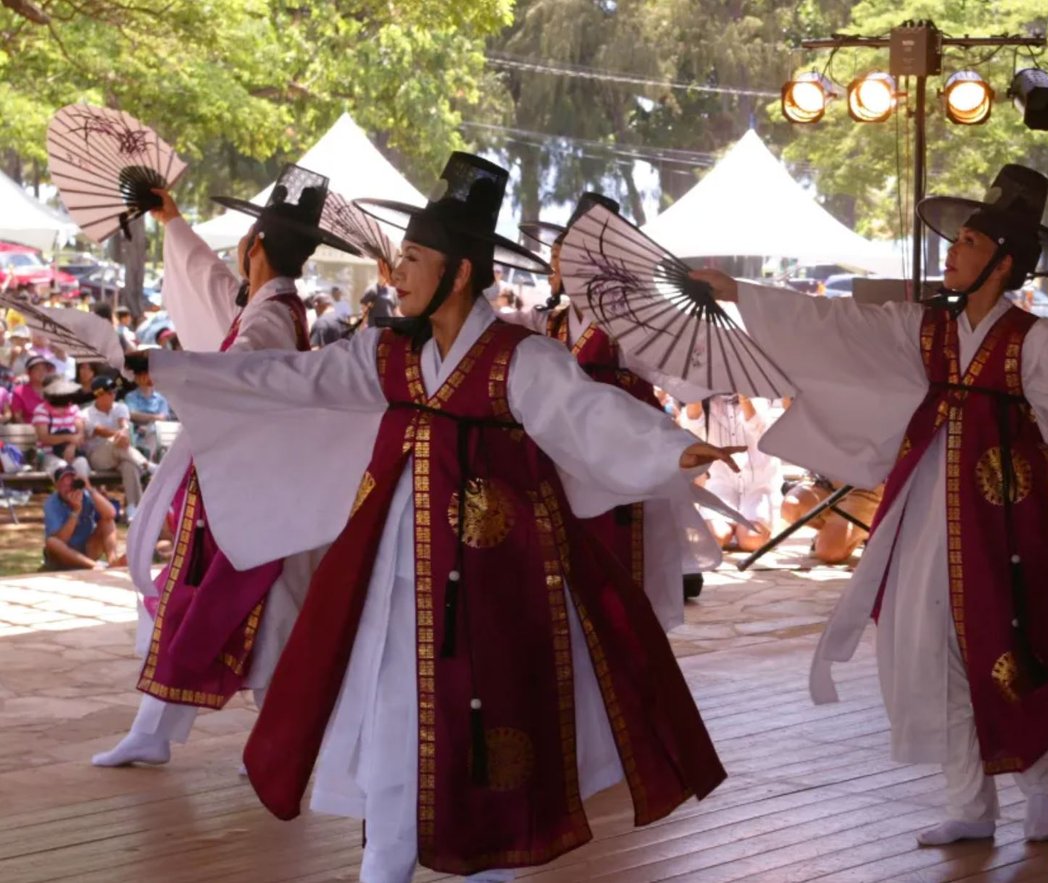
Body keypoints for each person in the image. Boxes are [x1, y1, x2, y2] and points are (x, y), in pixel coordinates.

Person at [125, 153, 734, 881]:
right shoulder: (386, 354)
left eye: (414, 258)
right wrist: (170, 370)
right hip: (394, 582)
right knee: (391, 725)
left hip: (497, 583)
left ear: (460, 272)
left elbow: (589, 414)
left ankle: (492, 863)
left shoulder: (519, 358)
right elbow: (288, 376)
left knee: (489, 728)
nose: (397, 273)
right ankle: (385, 864)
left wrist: (674, 448)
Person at [693, 164, 1048, 847]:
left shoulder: (1036, 340)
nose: (951, 251)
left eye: (969, 242)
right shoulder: (926, 330)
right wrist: (740, 291)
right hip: (928, 515)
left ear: (1003, 264)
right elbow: (837, 323)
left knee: (1016, 642)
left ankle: (1041, 785)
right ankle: (969, 803)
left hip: (1013, 518)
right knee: (930, 644)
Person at [91, 165, 361, 771]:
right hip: (252, 488)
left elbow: (235, 375)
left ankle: (267, 741)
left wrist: (162, 367)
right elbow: (214, 286)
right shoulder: (270, 304)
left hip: (252, 493)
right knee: (230, 608)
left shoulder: (268, 316)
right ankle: (163, 730)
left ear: (255, 245)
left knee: (254, 613)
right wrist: (173, 221)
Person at [522, 192, 721, 619]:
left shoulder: (625, 321)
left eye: (565, 255)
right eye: (556, 255)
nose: (555, 265)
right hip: (564, 451)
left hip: (620, 451)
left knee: (620, 558)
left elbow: (681, 369)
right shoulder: (548, 322)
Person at [679, 394, 782, 553]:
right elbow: (691, 431)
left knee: (751, 541)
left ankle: (748, 527)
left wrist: (744, 399)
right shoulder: (705, 402)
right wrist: (695, 390)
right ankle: (732, 526)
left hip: (758, 486)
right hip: (721, 484)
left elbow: (763, 434)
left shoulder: (759, 398)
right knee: (716, 536)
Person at [83, 375, 148, 519]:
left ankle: (132, 508)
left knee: (129, 466)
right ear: (98, 395)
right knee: (115, 441)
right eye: (109, 392)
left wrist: (124, 432)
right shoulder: (86, 414)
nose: (113, 394)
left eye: (114, 391)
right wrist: (121, 434)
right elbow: (100, 431)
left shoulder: (121, 407)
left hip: (123, 455)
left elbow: (124, 424)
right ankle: (146, 465)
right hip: (98, 458)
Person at [43, 462, 121, 570]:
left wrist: (90, 488)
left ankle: (113, 562)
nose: (69, 489)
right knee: (52, 542)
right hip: (63, 556)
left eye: (71, 484)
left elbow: (111, 514)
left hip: (87, 549)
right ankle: (94, 566)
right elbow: (62, 540)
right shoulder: (51, 503)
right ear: (57, 487)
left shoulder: (86, 495)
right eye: (64, 485)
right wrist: (76, 511)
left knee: (107, 522)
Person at [123, 353, 174, 458]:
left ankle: (149, 461)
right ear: (136, 378)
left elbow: (163, 417)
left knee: (154, 431)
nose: (144, 378)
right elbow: (132, 415)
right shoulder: (131, 396)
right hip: (137, 436)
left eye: (146, 374)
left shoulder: (161, 398)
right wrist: (154, 418)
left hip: (158, 435)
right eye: (140, 375)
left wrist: (148, 422)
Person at [33, 377, 87, 472]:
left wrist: (72, 446)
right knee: (62, 467)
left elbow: (80, 433)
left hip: (73, 452)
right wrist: (68, 438)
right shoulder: (41, 410)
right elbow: (44, 438)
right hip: (48, 455)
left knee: (81, 463)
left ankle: (84, 486)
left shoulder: (74, 409)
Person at [11, 355, 52, 424]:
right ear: (28, 372)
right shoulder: (19, 391)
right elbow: (18, 418)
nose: (42, 372)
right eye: (37, 369)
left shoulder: (54, 390)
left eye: (44, 369)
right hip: (29, 431)